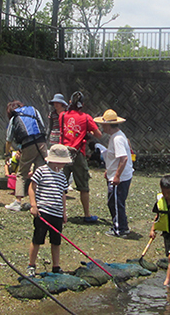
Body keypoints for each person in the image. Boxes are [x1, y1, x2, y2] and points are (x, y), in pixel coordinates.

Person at [26, 144, 72, 278]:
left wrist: (64, 212)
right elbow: (32, 187)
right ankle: (31, 265)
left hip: (57, 212)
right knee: (38, 238)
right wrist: (33, 205)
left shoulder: (62, 176)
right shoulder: (41, 171)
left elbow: (63, 194)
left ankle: (56, 266)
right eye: (62, 162)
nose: (63, 165)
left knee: (56, 241)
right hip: (43, 211)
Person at [59, 91, 102, 223]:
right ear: (82, 105)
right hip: (78, 154)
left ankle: (61, 214)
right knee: (83, 186)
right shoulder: (86, 117)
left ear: (70, 102)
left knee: (61, 186)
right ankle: (87, 214)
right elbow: (98, 135)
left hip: (63, 153)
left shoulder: (62, 116)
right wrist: (86, 132)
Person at [95, 109, 133, 238]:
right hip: (116, 174)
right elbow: (114, 158)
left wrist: (116, 176)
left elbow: (124, 158)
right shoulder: (116, 136)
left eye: (103, 125)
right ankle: (121, 226)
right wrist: (109, 170)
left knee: (116, 203)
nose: (101, 127)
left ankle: (120, 229)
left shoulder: (117, 139)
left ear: (108, 125)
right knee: (114, 202)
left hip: (120, 178)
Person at [5, 100, 48, 212]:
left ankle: (18, 202)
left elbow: (9, 139)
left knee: (21, 174)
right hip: (41, 142)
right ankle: (40, 201)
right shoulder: (34, 110)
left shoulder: (15, 117)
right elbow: (42, 126)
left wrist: (6, 154)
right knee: (41, 172)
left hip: (28, 144)